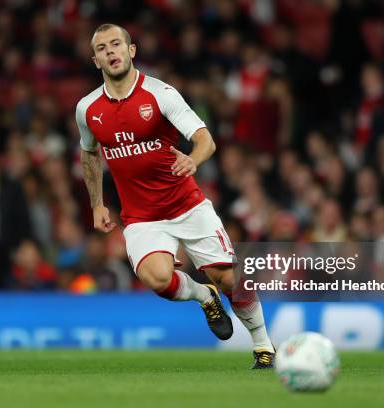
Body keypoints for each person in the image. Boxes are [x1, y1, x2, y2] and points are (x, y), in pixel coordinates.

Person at [75, 23, 274, 368]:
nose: (111, 51)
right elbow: (89, 153)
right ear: (96, 60)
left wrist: (192, 159)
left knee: (228, 278)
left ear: (131, 50)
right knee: (157, 278)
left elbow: (205, 140)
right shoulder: (87, 109)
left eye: (116, 44)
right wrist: (96, 203)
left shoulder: (160, 94)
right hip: (141, 217)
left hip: (187, 206)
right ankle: (203, 296)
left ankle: (263, 347)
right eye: (103, 48)